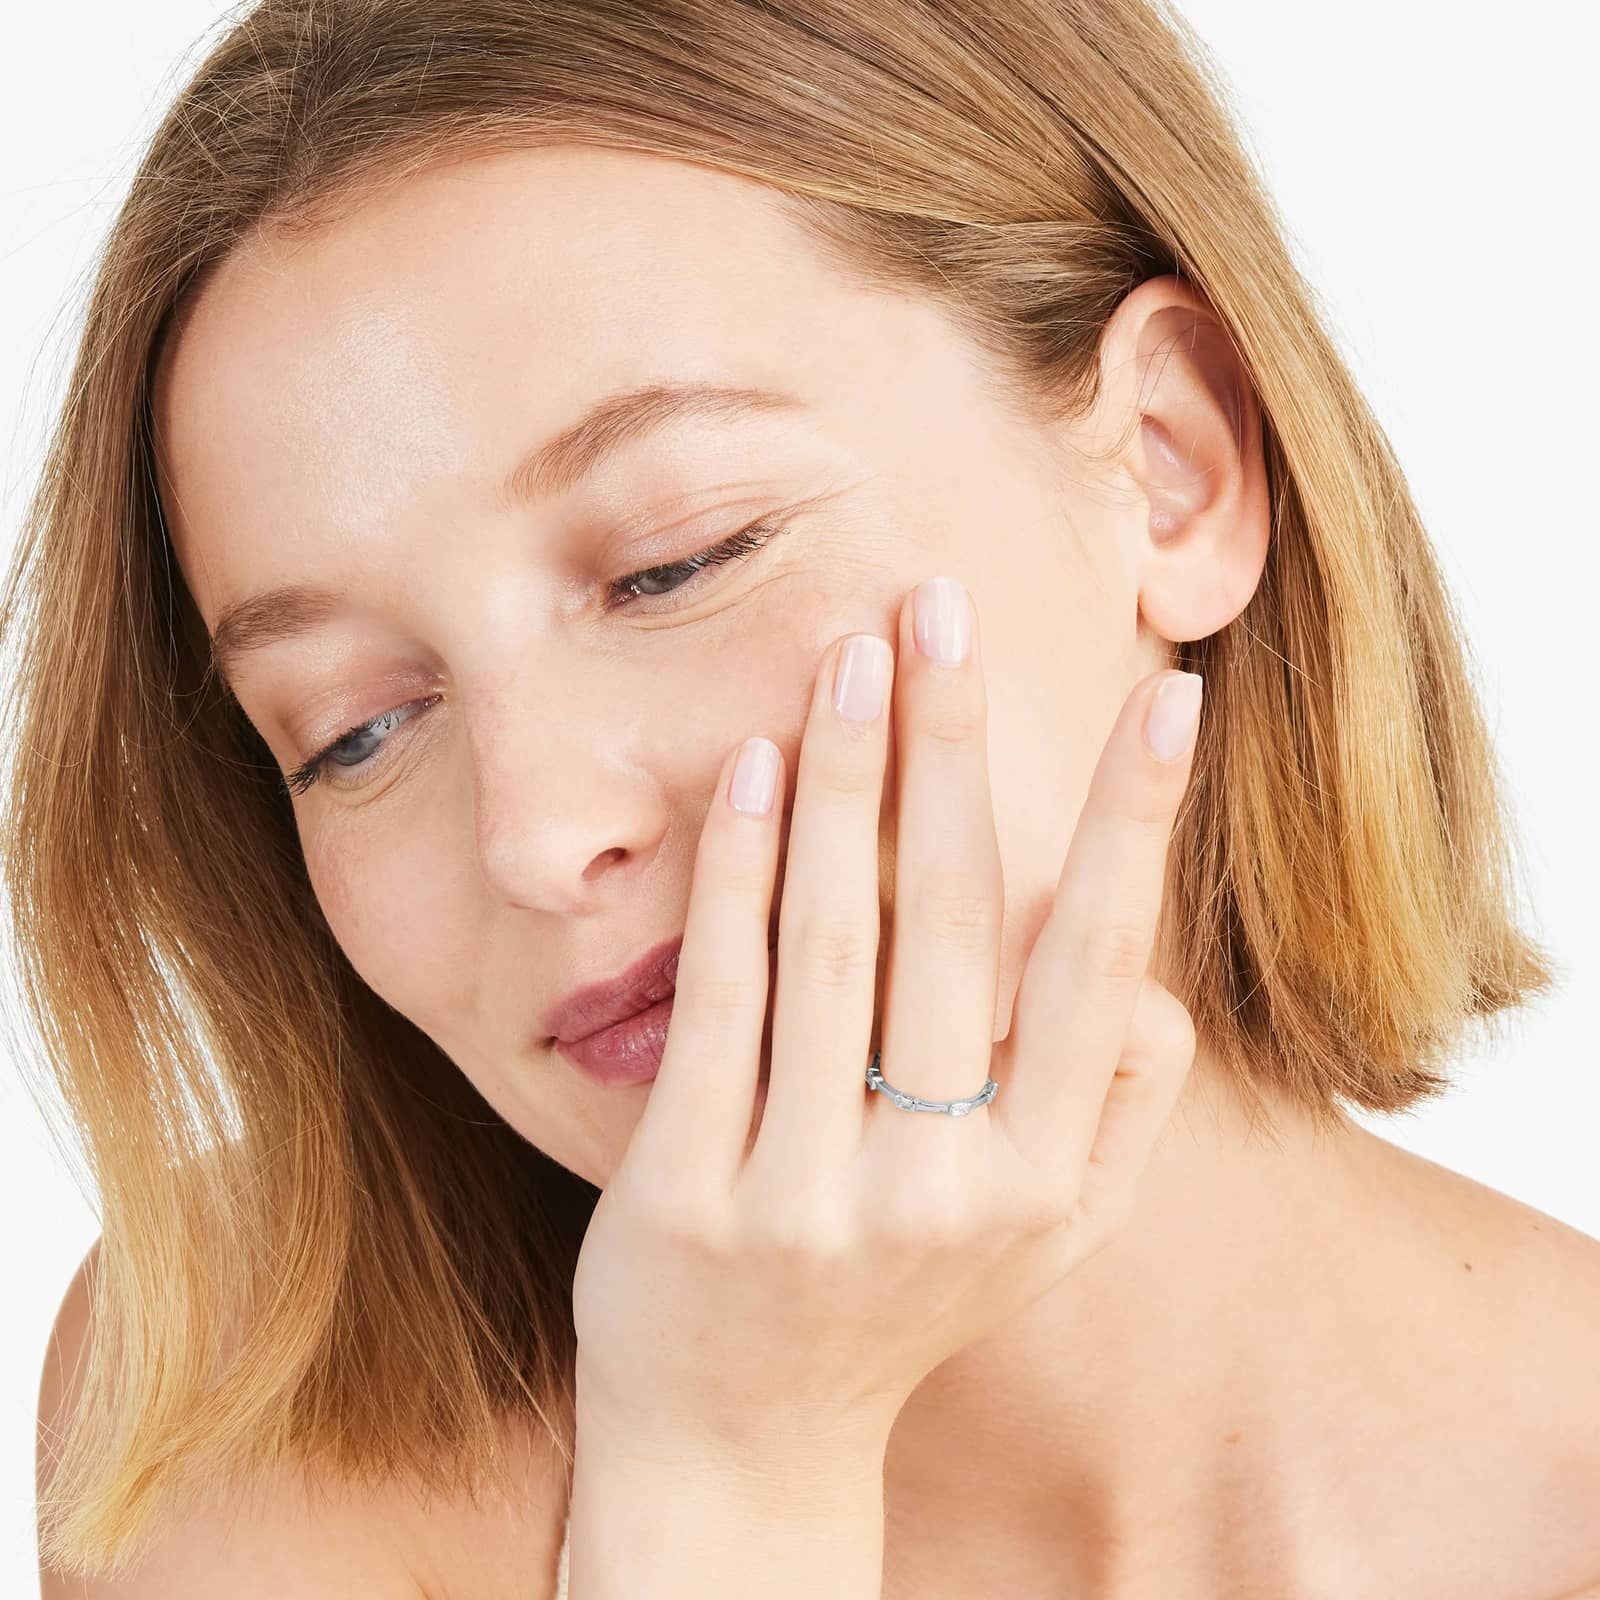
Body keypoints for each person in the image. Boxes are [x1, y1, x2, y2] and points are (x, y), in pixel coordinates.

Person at [14, 1, 1599, 1596]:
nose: (538, 837)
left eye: (676, 563)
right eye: (353, 731)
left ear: (1170, 466)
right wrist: (726, 1470)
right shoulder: (234, 1413)